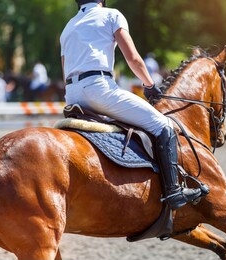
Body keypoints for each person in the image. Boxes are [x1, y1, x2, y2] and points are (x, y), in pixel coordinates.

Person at [60, 0, 206, 209]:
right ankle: (174, 191)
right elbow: (133, 58)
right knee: (163, 125)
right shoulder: (112, 15)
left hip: (72, 95)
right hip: (98, 88)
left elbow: (65, 70)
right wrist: (149, 84)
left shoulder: (68, 28)